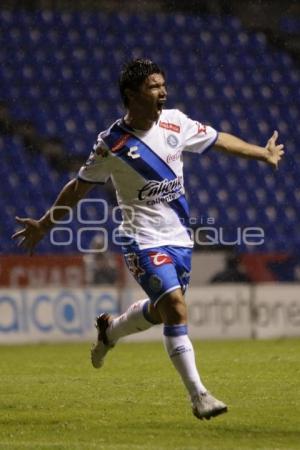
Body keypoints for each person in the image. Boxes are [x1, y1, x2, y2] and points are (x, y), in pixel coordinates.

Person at [12, 58, 284, 420]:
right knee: (175, 306)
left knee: (161, 312)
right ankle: (199, 396)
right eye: (154, 87)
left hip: (180, 239)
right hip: (140, 239)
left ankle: (111, 331)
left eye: (163, 85)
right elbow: (77, 188)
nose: (163, 91)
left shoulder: (175, 121)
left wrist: (261, 153)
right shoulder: (112, 144)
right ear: (132, 95)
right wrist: (45, 225)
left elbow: (218, 140)